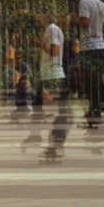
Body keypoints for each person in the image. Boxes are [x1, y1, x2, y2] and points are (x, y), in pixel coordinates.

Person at [24, 12, 71, 158]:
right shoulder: (50, 30)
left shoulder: (52, 29)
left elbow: (55, 51)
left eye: (38, 15)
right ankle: (54, 144)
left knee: (57, 112)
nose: (35, 19)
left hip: (53, 76)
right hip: (49, 76)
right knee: (50, 110)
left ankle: (56, 144)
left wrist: (39, 44)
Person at [73, 0, 104, 127]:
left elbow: (84, 22)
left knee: (89, 80)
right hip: (100, 44)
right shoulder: (102, 4)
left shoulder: (84, 3)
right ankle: (100, 103)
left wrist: (75, 18)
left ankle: (93, 107)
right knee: (98, 77)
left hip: (88, 46)